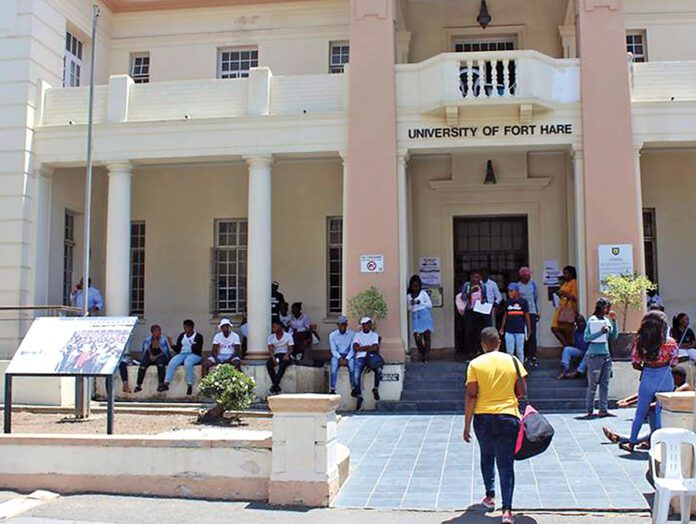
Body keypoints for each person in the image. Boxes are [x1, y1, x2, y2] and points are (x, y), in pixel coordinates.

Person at [464, 327, 526, 524]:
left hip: (483, 417)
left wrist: (466, 425)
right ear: (499, 342)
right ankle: (507, 511)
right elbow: (522, 390)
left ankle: (490, 496)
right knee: (506, 464)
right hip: (508, 416)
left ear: (483, 345)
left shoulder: (475, 364)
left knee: (486, 455)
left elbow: (471, 395)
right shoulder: (513, 361)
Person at [620, 311, 678, 452]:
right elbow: (675, 362)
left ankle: (632, 443)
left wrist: (646, 368)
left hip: (647, 376)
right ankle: (660, 445)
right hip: (665, 376)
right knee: (661, 412)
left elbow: (635, 363)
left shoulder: (640, 341)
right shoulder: (670, 342)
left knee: (640, 412)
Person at [603, 365, 694, 449]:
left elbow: (664, 402)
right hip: (671, 420)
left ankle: (622, 439)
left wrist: (645, 406)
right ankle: (621, 438)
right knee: (650, 433)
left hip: (677, 422)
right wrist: (627, 401)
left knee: (652, 426)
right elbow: (643, 395)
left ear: (677, 377)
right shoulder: (674, 385)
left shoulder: (683, 389)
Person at [583, 298, 618, 418]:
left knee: (605, 384)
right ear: (601, 307)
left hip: (606, 355)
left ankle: (603, 409)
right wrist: (600, 332)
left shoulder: (606, 321)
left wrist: (614, 322)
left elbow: (614, 336)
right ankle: (590, 410)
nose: (608, 309)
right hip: (594, 355)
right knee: (592, 385)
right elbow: (586, 338)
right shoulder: (592, 320)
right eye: (607, 307)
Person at [163, 319, 204, 396]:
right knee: (172, 362)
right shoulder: (182, 336)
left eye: (187, 328)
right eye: (184, 328)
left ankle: (189, 384)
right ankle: (166, 382)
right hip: (182, 354)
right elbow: (178, 349)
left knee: (188, 363)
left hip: (194, 355)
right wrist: (172, 345)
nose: (185, 329)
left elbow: (199, 349)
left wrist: (193, 344)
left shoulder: (198, 336)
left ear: (191, 327)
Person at [352, 317, 382, 411]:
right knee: (356, 375)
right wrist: (368, 347)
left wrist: (362, 348)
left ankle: (375, 388)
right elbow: (355, 348)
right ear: (362, 325)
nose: (369, 325)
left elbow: (375, 348)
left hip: (371, 356)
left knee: (378, 369)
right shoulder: (357, 335)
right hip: (360, 357)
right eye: (366, 323)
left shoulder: (374, 335)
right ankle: (359, 395)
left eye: (369, 323)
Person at [461, 272, 492, 355]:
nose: (475, 279)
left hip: (480, 310)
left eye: (477, 277)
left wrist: (483, 300)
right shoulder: (467, 285)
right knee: (470, 331)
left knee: (480, 331)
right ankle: (471, 351)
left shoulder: (483, 286)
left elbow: (485, 297)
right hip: (470, 311)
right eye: (474, 277)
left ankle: (480, 350)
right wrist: (471, 292)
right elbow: (463, 298)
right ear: (471, 277)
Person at [134, 324, 171, 393]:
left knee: (160, 364)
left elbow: (165, 352)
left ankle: (161, 384)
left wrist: (156, 357)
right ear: (152, 332)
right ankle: (139, 385)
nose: (159, 332)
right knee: (143, 365)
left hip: (160, 356)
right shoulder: (148, 339)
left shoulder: (163, 340)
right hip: (150, 355)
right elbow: (146, 349)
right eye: (156, 331)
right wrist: (151, 355)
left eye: (159, 331)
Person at [499, 283, 530, 364]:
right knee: (509, 352)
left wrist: (529, 330)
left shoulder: (523, 302)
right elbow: (505, 315)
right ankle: (511, 367)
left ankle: (521, 367)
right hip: (509, 330)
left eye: (511, 291)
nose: (509, 293)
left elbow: (527, 316)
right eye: (509, 291)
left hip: (520, 330)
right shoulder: (508, 302)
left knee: (520, 351)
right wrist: (502, 327)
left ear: (517, 291)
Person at [407, 275, 434, 362]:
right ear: (411, 286)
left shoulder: (423, 293)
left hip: (425, 316)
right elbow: (409, 309)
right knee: (417, 338)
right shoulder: (408, 296)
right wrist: (412, 304)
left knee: (427, 337)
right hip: (416, 317)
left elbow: (430, 305)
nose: (416, 288)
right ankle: (423, 353)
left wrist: (420, 303)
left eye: (417, 286)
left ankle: (426, 357)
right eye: (414, 286)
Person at [517, 267, 540, 367]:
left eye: (529, 275)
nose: (528, 277)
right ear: (522, 276)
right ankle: (524, 355)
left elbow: (536, 298)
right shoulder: (518, 286)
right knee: (523, 334)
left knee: (532, 334)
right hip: (521, 313)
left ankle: (533, 356)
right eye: (526, 275)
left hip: (532, 312)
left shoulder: (533, 285)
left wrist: (537, 311)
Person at [551, 265, 578, 347]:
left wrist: (564, 293)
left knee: (567, 329)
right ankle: (567, 347)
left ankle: (568, 347)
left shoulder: (574, 282)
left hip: (568, 308)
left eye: (566, 273)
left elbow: (575, 297)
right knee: (555, 327)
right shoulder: (566, 283)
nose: (564, 275)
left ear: (571, 273)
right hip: (561, 307)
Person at [328, 316, 355, 394]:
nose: (343, 326)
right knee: (333, 369)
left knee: (352, 368)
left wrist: (347, 358)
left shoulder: (352, 334)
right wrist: (340, 358)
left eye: (344, 324)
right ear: (337, 325)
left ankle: (353, 388)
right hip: (337, 355)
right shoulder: (332, 335)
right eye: (341, 324)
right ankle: (332, 389)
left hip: (348, 355)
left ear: (347, 325)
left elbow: (352, 349)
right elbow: (333, 350)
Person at [266, 320, 294, 394]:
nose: (273, 328)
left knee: (283, 365)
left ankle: (274, 386)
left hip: (285, 354)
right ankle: (276, 386)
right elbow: (270, 350)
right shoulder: (271, 337)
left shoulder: (288, 336)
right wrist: (273, 358)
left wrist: (286, 355)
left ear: (280, 327)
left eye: (275, 327)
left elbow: (291, 349)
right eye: (273, 327)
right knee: (269, 364)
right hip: (276, 355)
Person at [557, 315, 589, 380]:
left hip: (588, 351)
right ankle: (565, 369)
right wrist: (573, 332)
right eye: (579, 322)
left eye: (582, 321)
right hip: (580, 350)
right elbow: (573, 343)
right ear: (576, 323)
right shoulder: (576, 331)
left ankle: (578, 372)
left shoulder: (588, 330)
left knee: (588, 353)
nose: (581, 323)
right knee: (567, 349)